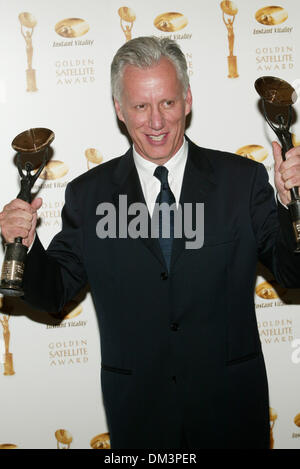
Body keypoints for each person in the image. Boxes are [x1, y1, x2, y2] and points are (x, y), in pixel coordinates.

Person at [1, 36, 300, 449]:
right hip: (139, 417)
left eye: (168, 103)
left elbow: (293, 272)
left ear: (188, 100)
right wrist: (25, 245)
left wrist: (294, 208)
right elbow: (52, 293)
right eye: (141, 106)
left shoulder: (242, 182)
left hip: (231, 413)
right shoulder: (89, 195)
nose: (156, 122)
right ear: (120, 110)